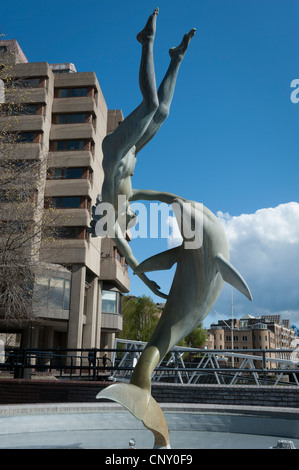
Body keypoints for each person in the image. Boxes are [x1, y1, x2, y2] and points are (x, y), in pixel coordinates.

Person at [99, 8, 196, 298]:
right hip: (132, 151)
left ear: (121, 217)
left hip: (116, 151)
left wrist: (140, 274)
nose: (132, 214)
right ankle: (176, 59)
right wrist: (178, 200)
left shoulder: (108, 203)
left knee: (150, 104)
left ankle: (146, 41)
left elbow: (124, 247)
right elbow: (155, 195)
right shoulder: (128, 196)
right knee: (162, 112)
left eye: (129, 217)